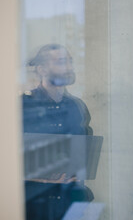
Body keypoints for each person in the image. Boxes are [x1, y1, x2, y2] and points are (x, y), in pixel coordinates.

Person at [22, 44, 93, 220]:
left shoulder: (78, 106)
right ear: (42, 69)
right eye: (62, 62)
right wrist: (45, 178)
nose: (69, 67)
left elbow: (85, 154)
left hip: (71, 204)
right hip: (35, 208)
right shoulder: (23, 106)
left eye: (70, 61)